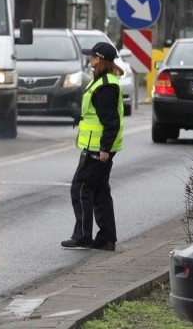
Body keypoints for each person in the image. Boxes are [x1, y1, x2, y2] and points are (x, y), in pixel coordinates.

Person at [61, 41, 124, 252]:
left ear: (98, 60)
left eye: (92, 56)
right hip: (98, 145)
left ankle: (82, 236)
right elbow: (97, 114)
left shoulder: (105, 86)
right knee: (99, 191)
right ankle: (106, 238)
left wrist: (104, 148)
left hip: (98, 148)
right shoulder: (102, 81)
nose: (89, 59)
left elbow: (110, 121)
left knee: (80, 188)